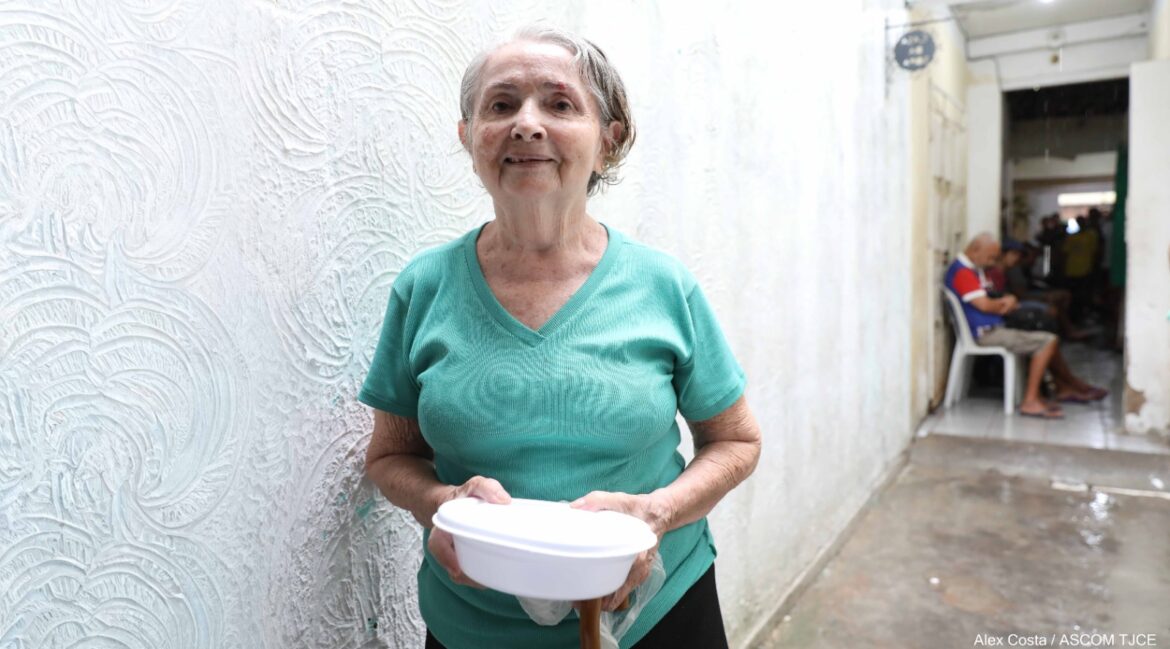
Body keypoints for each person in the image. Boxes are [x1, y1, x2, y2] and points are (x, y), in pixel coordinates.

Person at [359, 25, 761, 649]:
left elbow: (735, 441)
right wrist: (441, 502)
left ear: (608, 141)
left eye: (559, 103)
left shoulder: (662, 286)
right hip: (474, 627)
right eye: (500, 105)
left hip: (654, 615)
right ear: (468, 137)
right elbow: (390, 457)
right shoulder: (425, 288)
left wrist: (656, 515)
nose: (526, 124)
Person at [946, 234, 1107, 419]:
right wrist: (1006, 302)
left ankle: (1061, 387)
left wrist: (1006, 301)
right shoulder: (963, 272)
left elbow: (991, 299)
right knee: (1047, 341)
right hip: (986, 333)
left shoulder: (972, 269)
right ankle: (1031, 400)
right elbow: (985, 305)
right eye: (991, 257)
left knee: (1044, 334)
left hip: (992, 327)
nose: (992, 262)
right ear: (975, 251)